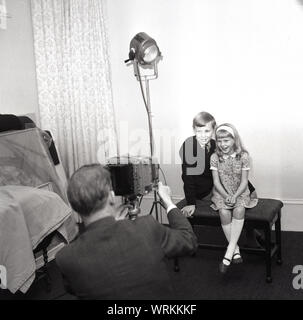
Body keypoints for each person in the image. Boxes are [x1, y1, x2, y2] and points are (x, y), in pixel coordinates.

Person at [55, 163, 197, 300]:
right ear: (111, 196)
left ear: (74, 206)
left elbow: (75, 288)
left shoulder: (66, 258)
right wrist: (168, 202)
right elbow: (188, 239)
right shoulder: (146, 228)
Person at [178, 111, 260, 246]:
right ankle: (246, 234)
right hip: (206, 190)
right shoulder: (189, 146)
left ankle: (250, 231)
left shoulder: (216, 144)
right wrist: (190, 202)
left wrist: (249, 187)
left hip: (221, 182)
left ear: (213, 130)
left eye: (207, 131)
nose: (203, 135)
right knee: (232, 202)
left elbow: (231, 171)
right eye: (199, 131)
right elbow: (188, 177)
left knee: (251, 193)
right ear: (194, 130)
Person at [210, 123, 258, 273]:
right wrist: (226, 196)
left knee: (239, 209)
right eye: (219, 140)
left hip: (240, 192)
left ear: (234, 139)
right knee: (224, 212)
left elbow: (244, 181)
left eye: (226, 140)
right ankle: (235, 249)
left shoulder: (243, 156)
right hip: (221, 192)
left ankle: (229, 252)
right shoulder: (214, 157)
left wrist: (235, 196)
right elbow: (216, 182)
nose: (222, 144)